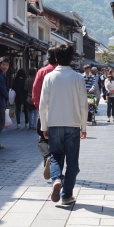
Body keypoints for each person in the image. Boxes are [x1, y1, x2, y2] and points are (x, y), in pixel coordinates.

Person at [39, 44, 87, 205]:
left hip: (54, 124)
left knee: (55, 157)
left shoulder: (49, 77)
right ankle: (67, 195)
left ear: (56, 58)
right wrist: (84, 127)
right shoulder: (78, 78)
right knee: (72, 162)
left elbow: (42, 105)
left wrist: (44, 127)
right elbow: (83, 105)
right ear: (72, 59)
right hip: (73, 124)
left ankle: (56, 180)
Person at [32, 47, 58, 179]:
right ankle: (55, 170)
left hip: (45, 111)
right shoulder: (64, 72)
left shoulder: (42, 72)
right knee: (59, 141)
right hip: (61, 113)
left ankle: (47, 158)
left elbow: (35, 94)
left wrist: (39, 109)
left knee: (43, 138)